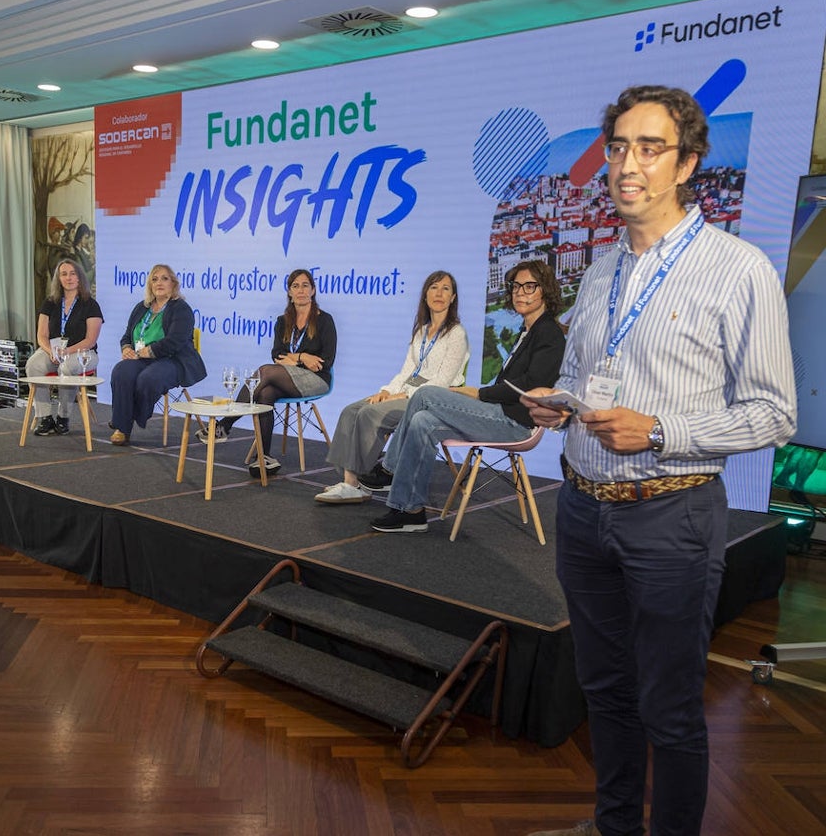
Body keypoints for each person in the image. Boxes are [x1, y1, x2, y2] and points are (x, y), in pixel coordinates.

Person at [522, 87, 796, 836]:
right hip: (582, 510)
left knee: (670, 708)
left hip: (672, 516)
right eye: (616, 147)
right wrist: (562, 402)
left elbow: (775, 413)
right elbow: (590, 379)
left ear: (688, 164)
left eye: (649, 148)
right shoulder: (602, 270)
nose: (626, 165)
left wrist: (660, 430)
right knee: (603, 690)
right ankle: (616, 827)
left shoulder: (739, 270)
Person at [368, 260, 564, 532]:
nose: (520, 292)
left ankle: (388, 468)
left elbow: (532, 385)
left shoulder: (549, 333)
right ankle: (410, 511)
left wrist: (478, 393)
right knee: (422, 420)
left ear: (545, 291)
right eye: (516, 286)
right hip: (500, 413)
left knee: (425, 395)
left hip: (516, 423)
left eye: (529, 286)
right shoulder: (526, 330)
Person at [315, 270, 469, 504]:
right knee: (351, 411)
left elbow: (441, 382)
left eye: (445, 288)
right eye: (434, 288)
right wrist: (387, 391)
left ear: (453, 297)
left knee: (369, 413)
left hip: (431, 399)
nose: (439, 293)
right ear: (425, 295)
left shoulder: (456, 334)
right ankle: (351, 482)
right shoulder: (421, 331)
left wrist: (402, 394)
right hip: (406, 392)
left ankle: (355, 484)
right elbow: (407, 371)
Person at [202, 268, 337, 476]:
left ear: (313, 290)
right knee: (266, 393)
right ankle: (264, 457)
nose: (300, 290)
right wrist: (303, 358)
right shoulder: (283, 321)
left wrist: (293, 359)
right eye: (295, 286)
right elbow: (277, 354)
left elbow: (324, 362)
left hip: (317, 380)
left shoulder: (324, 320)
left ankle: (225, 424)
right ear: (289, 292)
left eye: (305, 285)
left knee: (265, 371)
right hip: (286, 377)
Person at [110, 264, 206, 445]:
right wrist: (126, 348)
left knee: (148, 378)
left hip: (173, 359)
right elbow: (127, 335)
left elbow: (175, 341)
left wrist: (150, 351)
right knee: (121, 371)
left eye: (164, 278)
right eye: (154, 279)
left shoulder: (181, 308)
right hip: (142, 358)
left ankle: (124, 419)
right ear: (149, 285)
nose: (159, 283)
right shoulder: (142, 307)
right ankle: (122, 428)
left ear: (173, 284)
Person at [25, 258, 103, 436]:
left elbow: (90, 340)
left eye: (72, 273)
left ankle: (63, 417)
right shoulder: (50, 302)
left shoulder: (90, 305)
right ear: (58, 279)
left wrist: (66, 352)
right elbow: (41, 335)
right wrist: (50, 350)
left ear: (79, 277)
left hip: (84, 353)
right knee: (33, 365)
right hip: (54, 352)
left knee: (66, 367)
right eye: (64, 274)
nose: (68, 278)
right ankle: (44, 416)